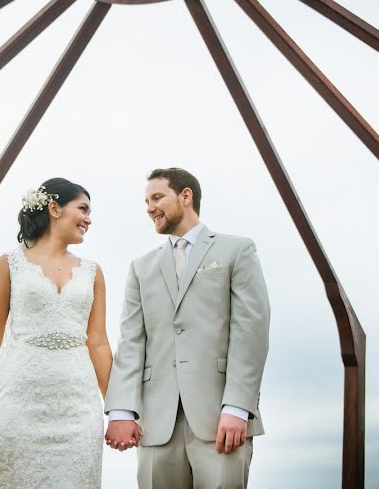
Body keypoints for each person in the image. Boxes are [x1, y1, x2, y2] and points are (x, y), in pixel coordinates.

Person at [104, 167, 270, 488]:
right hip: (157, 425)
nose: (149, 207)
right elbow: (132, 343)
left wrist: (238, 406)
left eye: (156, 197)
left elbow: (251, 331)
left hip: (221, 419)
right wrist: (122, 411)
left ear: (185, 196)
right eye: (146, 201)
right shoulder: (141, 268)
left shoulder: (237, 250)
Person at [0, 178, 112, 488]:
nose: (88, 219)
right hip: (18, 404)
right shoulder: (9, 264)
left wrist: (118, 410)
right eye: (83, 209)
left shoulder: (93, 272)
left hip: (78, 408)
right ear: (54, 208)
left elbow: (98, 342)